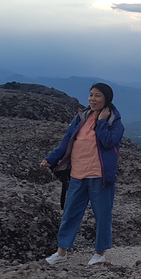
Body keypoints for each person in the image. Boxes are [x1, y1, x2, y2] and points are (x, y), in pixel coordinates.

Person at [41, 83, 124, 265]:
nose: (92, 99)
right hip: (78, 174)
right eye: (91, 95)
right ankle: (61, 253)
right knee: (70, 212)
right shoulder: (81, 118)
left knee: (102, 215)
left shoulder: (114, 122)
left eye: (98, 96)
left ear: (107, 99)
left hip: (100, 176)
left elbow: (108, 142)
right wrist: (52, 158)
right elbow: (66, 141)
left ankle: (100, 254)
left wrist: (101, 121)